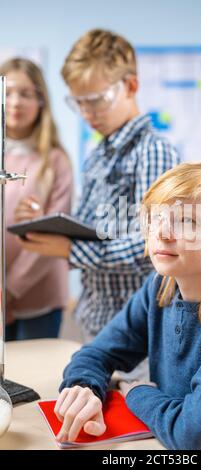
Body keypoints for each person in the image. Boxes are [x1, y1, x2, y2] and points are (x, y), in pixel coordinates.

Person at [52, 162, 201, 450]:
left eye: (188, 222)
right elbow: (97, 353)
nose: (162, 233)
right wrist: (84, 387)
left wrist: (137, 392)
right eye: (156, 218)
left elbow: (197, 435)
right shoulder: (161, 286)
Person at [19, 29, 179, 342]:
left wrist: (71, 250)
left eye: (96, 101)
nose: (87, 113)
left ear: (131, 86)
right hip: (95, 318)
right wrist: (49, 226)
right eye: (78, 103)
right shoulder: (97, 156)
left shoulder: (153, 150)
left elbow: (153, 244)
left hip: (137, 327)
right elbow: (90, 228)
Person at [0, 57, 73, 341]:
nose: (15, 102)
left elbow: (52, 233)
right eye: (7, 93)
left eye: (26, 93)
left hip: (40, 295)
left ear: (41, 101)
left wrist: (9, 289)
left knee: (33, 377)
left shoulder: (55, 161)